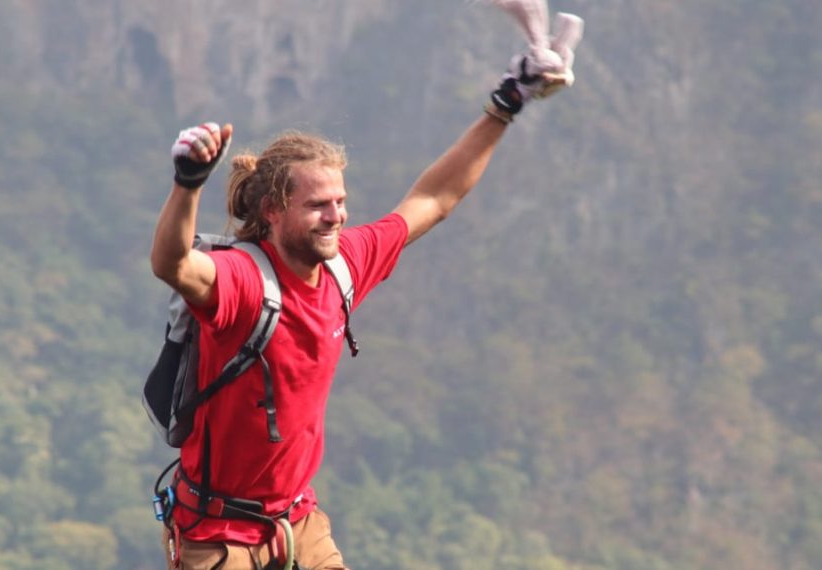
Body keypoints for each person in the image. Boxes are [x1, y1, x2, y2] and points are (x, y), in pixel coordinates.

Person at [150, 50, 575, 570]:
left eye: (340, 201)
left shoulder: (343, 265)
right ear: (272, 212)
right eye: (317, 206)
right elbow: (173, 263)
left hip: (297, 522)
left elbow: (434, 199)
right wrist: (188, 183)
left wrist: (505, 105)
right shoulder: (242, 281)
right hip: (218, 534)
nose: (337, 217)